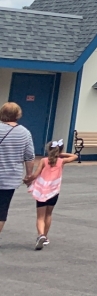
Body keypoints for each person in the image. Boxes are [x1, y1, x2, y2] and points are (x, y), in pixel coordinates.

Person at [27, 139, 78, 250]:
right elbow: (75, 156)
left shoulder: (44, 161)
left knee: (40, 216)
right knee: (48, 215)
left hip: (42, 192)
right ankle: (45, 237)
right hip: (54, 192)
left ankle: (40, 235)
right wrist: (60, 154)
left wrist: (27, 180)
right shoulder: (61, 161)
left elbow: (36, 174)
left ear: (48, 149)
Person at [0, 102, 37, 245]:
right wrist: (29, 175)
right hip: (10, 178)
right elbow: (29, 157)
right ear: (18, 114)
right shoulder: (24, 132)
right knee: (2, 209)